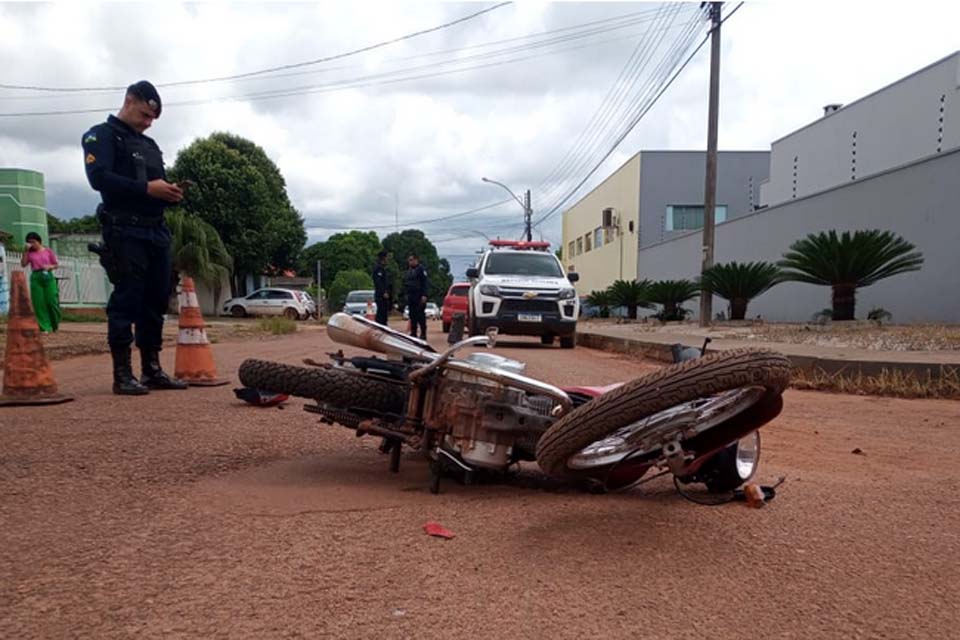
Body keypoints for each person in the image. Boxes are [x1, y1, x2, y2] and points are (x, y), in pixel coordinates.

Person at [81, 80, 188, 396]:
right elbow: (99, 178)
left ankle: (152, 369)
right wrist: (145, 189)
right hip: (124, 230)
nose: (147, 122)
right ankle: (123, 373)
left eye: (152, 119)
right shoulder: (101, 135)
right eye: (144, 114)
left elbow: (157, 182)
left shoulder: (150, 145)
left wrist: (169, 192)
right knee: (127, 299)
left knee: (155, 300)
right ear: (129, 100)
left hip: (156, 231)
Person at [20, 232, 61, 333]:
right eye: (29, 242)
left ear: (38, 241)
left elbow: (56, 264)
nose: (31, 244)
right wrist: (25, 251)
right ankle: (44, 327)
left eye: (33, 242)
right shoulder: (29, 253)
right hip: (36, 276)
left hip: (48, 275)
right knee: (39, 303)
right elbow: (24, 264)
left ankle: (54, 323)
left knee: (52, 301)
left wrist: (50, 267)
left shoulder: (48, 251)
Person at [404, 252, 429, 340]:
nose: (410, 262)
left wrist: (424, 295)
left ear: (416, 260)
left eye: (411, 260)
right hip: (411, 296)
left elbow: (425, 283)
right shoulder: (409, 271)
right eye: (409, 260)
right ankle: (413, 333)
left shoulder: (421, 269)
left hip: (419, 296)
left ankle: (423, 333)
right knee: (412, 315)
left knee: (420, 315)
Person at [372, 250, 392, 326]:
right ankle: (380, 327)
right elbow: (378, 282)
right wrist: (383, 292)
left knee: (384, 314)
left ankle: (383, 326)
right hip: (380, 296)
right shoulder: (378, 268)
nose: (388, 259)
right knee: (381, 314)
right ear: (383, 258)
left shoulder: (383, 269)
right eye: (387, 257)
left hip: (384, 296)